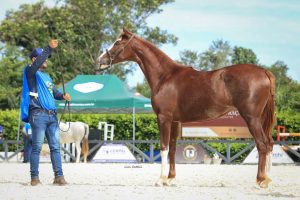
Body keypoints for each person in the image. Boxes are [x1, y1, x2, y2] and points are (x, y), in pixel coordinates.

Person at [21, 39, 71, 186]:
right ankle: (35, 178)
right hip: (38, 114)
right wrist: (48, 48)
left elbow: (54, 92)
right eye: (43, 57)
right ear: (35, 59)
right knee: (36, 147)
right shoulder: (30, 71)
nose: (46, 60)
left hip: (52, 115)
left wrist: (62, 96)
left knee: (55, 147)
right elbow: (37, 63)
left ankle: (59, 177)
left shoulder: (47, 77)